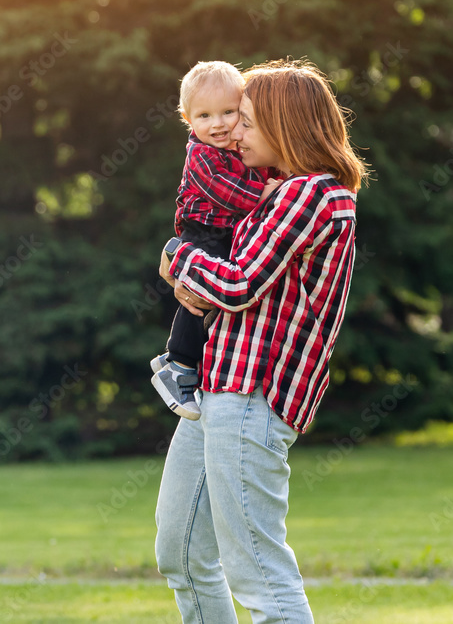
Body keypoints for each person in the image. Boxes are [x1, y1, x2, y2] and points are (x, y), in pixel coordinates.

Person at [154, 59, 368, 624]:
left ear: (284, 124)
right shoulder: (276, 192)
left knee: (258, 573)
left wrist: (178, 256)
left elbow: (238, 284)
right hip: (216, 389)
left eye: (246, 121)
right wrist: (190, 271)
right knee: (180, 553)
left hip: (252, 396)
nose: (234, 132)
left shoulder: (313, 194)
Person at [151, 61, 283, 422]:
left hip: (226, 232)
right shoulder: (202, 154)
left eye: (228, 112)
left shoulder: (239, 147)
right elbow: (229, 192)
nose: (219, 124)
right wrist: (266, 193)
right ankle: (178, 363)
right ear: (187, 119)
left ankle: (184, 361)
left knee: (215, 300)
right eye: (205, 116)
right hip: (203, 230)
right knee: (203, 296)